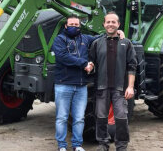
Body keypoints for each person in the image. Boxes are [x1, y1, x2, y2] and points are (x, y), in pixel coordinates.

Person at [51, 15, 124, 151]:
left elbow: (100, 38)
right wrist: (84, 63)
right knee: (61, 117)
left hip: (81, 86)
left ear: (80, 26)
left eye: (76, 25)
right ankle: (61, 146)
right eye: (71, 24)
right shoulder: (60, 39)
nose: (74, 27)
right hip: (64, 84)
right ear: (66, 26)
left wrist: (116, 32)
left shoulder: (85, 39)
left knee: (79, 118)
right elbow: (62, 57)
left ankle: (77, 145)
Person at [87, 12, 137, 151]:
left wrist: (130, 87)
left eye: (113, 22)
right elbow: (92, 60)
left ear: (118, 25)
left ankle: (121, 146)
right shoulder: (97, 43)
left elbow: (132, 66)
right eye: (108, 22)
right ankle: (103, 144)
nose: (110, 24)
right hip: (102, 88)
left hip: (120, 89)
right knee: (101, 118)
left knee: (121, 118)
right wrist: (90, 65)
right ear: (103, 24)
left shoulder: (126, 43)